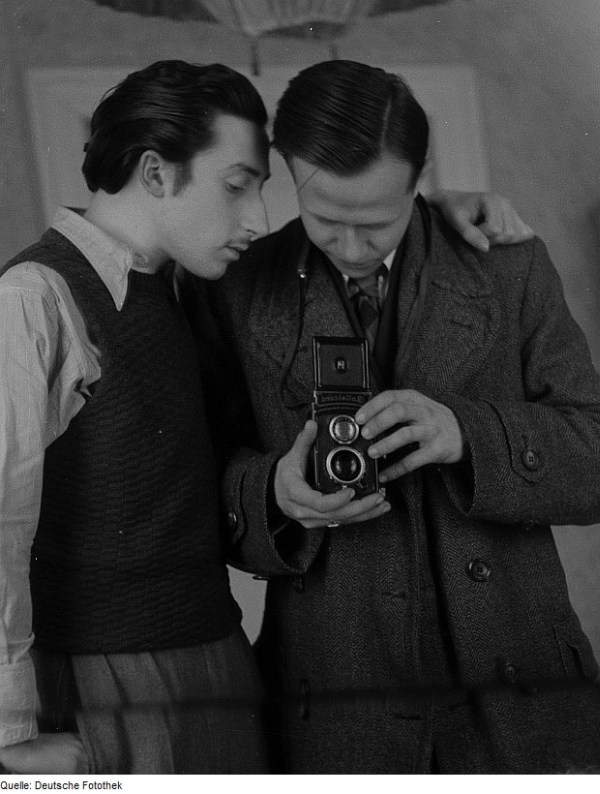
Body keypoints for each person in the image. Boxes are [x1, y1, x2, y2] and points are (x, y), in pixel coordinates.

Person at [187, 60, 600, 773]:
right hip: (338, 708)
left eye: (376, 223)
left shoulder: (509, 265)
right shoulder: (236, 289)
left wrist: (467, 434)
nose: (351, 249)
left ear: (420, 180)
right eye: (326, 221)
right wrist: (274, 494)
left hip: (522, 697)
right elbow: (200, 479)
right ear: (289, 174)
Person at [0, 59, 272, 774]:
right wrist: (9, 734)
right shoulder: (34, 296)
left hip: (216, 660)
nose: (257, 219)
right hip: (103, 686)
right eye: (238, 186)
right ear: (156, 173)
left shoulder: (186, 284)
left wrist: (445, 211)